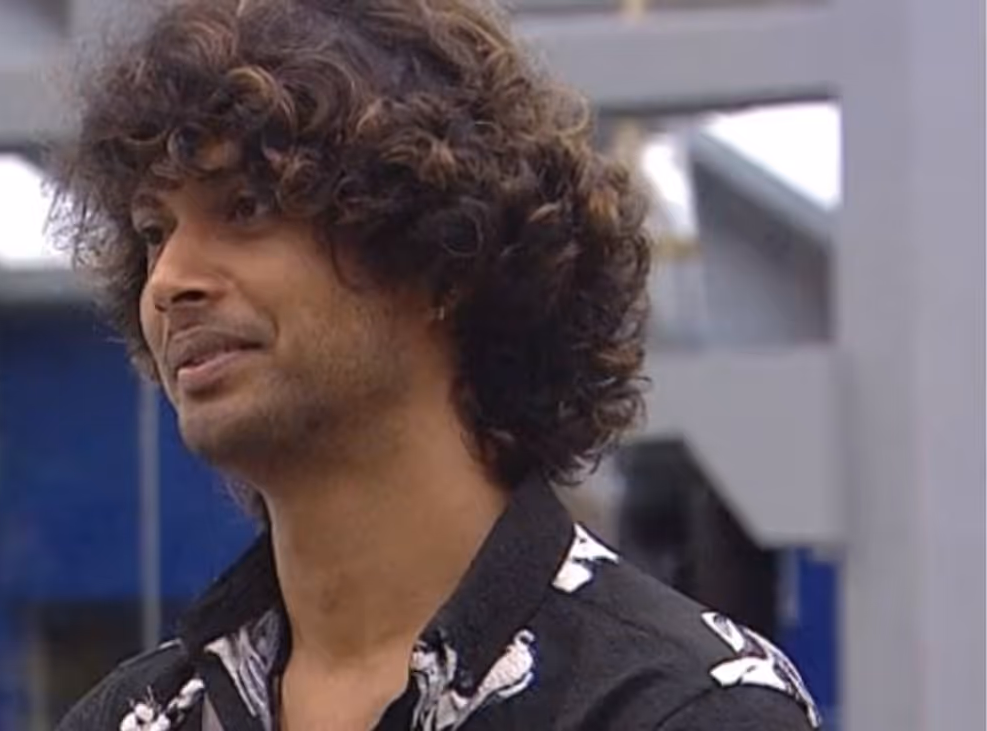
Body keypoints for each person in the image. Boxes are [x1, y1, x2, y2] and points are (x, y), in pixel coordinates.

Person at [49, 0, 822, 729]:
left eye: (246, 207)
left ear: (442, 258)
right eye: (153, 231)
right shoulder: (135, 716)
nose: (169, 279)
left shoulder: (676, 707)